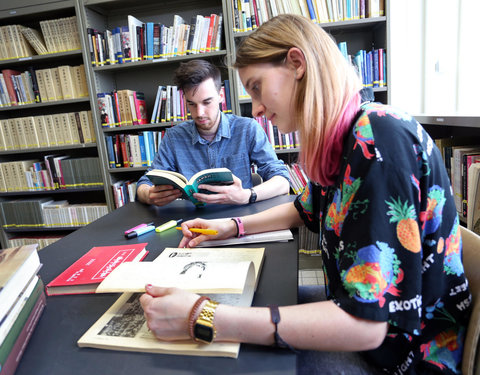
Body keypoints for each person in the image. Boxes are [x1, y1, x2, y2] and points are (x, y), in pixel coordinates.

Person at [139, 14, 471, 374]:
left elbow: (366, 326)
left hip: (403, 356)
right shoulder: (347, 135)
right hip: (366, 324)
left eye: (257, 87)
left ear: (296, 64)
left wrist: (203, 316)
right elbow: (304, 208)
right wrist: (231, 228)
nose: (258, 109)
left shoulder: (377, 141)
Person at [136, 59, 290, 207]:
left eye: (207, 102)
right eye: (192, 104)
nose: (199, 113)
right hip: (193, 221)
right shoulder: (173, 137)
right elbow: (144, 184)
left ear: (220, 96)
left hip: (241, 219)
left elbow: (282, 181)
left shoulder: (247, 129)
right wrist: (149, 195)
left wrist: (247, 195)